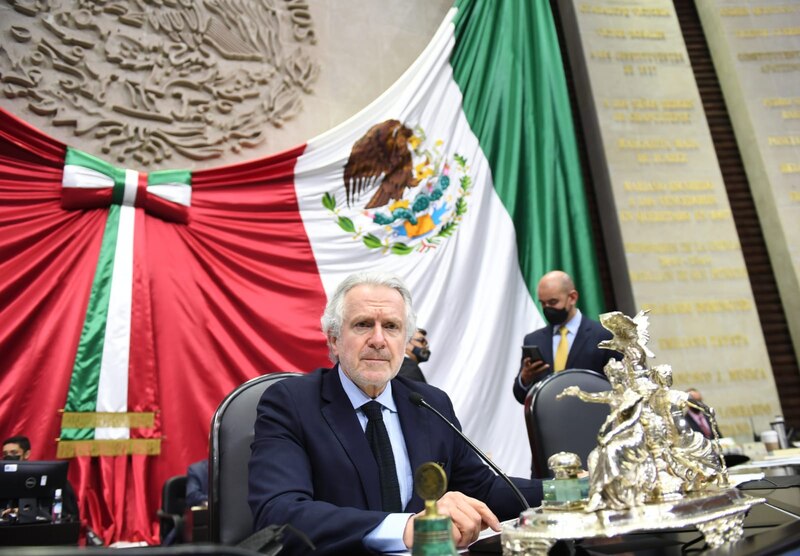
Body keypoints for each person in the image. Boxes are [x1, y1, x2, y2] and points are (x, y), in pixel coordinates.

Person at [248, 272, 542, 555]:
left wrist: (568, 489)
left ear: (405, 340)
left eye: (391, 326)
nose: (378, 340)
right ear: (333, 340)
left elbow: (485, 489)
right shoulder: (290, 403)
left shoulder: (430, 403)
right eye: (363, 324)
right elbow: (279, 513)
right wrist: (408, 528)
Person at [513, 270, 619, 404]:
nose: (547, 309)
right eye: (543, 303)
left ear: (572, 298)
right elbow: (521, 395)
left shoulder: (603, 336)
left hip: (594, 419)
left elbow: (622, 387)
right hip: (549, 421)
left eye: (553, 302)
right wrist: (525, 378)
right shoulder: (534, 340)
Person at [1, 435, 80, 522]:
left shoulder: (51, 478)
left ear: (27, 454)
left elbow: (67, 516)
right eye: (5, 454)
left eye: (14, 453)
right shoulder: (4, 481)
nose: (8, 457)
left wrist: (25, 512)